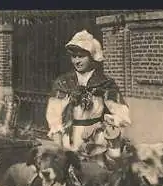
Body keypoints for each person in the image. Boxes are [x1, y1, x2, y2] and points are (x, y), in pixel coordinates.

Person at [46, 30, 131, 169]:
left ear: (91, 57)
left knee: (98, 174)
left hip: (98, 138)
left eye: (81, 56)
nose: (77, 61)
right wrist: (58, 144)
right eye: (74, 57)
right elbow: (54, 115)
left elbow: (121, 113)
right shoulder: (63, 82)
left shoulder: (105, 82)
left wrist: (103, 125)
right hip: (71, 137)